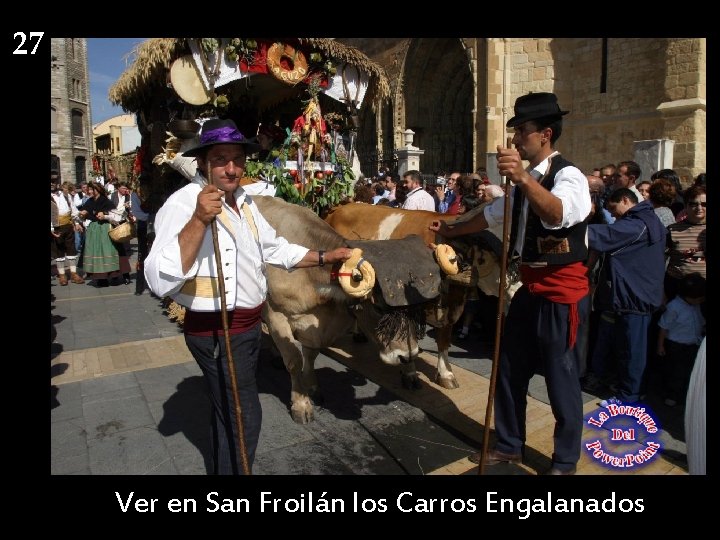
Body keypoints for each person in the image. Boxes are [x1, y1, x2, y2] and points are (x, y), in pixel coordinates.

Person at [143, 118, 352, 475]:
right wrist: (198, 220)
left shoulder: (245, 202)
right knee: (244, 416)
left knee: (229, 412)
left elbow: (276, 248)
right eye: (221, 158)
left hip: (248, 329)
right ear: (202, 162)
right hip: (215, 331)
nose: (231, 167)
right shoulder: (182, 204)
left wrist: (323, 257)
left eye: (238, 159)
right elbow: (158, 278)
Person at [430, 92, 591, 475]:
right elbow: (488, 218)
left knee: (560, 379)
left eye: (523, 131)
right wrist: (449, 229)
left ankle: (565, 461)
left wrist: (519, 176)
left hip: (561, 293)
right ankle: (510, 444)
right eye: (516, 131)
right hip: (529, 289)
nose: (516, 139)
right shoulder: (523, 186)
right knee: (508, 367)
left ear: (545, 134)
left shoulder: (569, 177)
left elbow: (558, 215)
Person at [588, 188, 666, 407]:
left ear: (625, 200)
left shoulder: (637, 224)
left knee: (633, 352)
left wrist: (572, 228)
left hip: (636, 298)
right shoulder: (647, 219)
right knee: (630, 350)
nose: (614, 216)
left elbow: (605, 236)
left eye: (615, 210)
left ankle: (628, 398)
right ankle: (632, 391)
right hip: (637, 296)